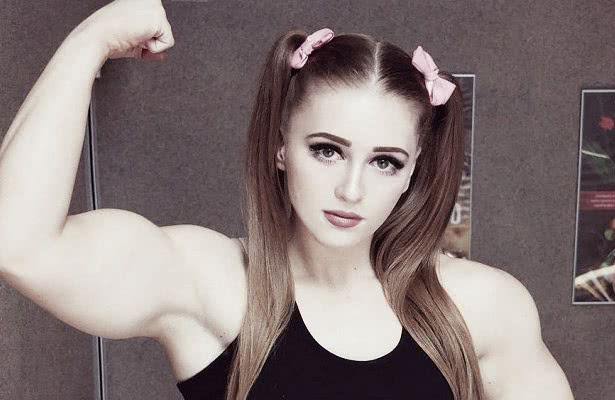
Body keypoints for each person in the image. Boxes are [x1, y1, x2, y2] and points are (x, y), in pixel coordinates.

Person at [0, 1, 574, 399]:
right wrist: (92, 40)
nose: (351, 189)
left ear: (411, 173)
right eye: (327, 150)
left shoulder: (482, 307)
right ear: (281, 147)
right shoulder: (214, 284)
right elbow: (18, 244)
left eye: (385, 161)